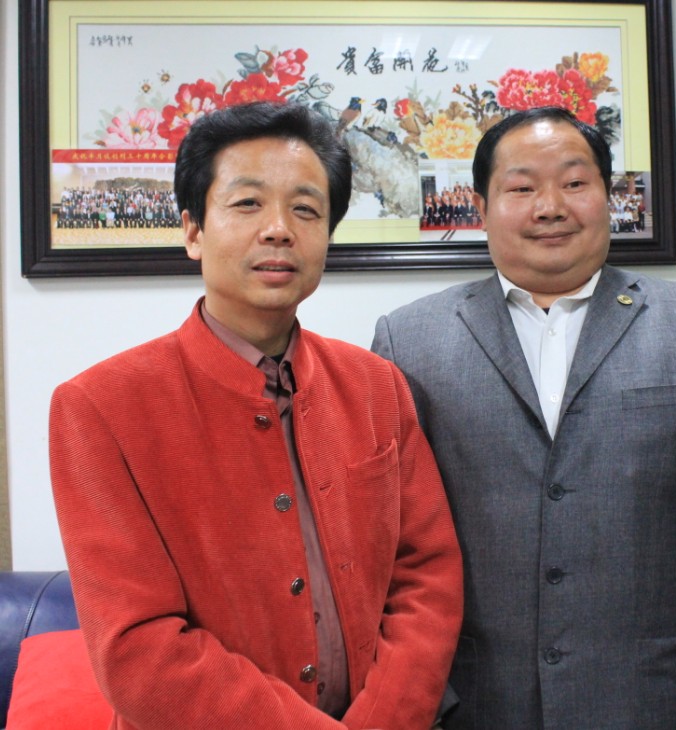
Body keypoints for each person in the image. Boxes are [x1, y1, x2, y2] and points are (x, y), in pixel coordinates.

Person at [372, 106, 676, 729]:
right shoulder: (410, 341)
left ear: (609, 196)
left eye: (574, 183)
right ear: (482, 207)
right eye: (522, 188)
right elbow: (383, 555)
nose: (550, 207)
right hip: (475, 709)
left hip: (654, 708)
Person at [49, 101, 462, 730]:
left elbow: (426, 575)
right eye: (247, 203)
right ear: (193, 230)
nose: (278, 229)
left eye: (306, 210)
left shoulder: (377, 385)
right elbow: (138, 650)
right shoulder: (99, 407)